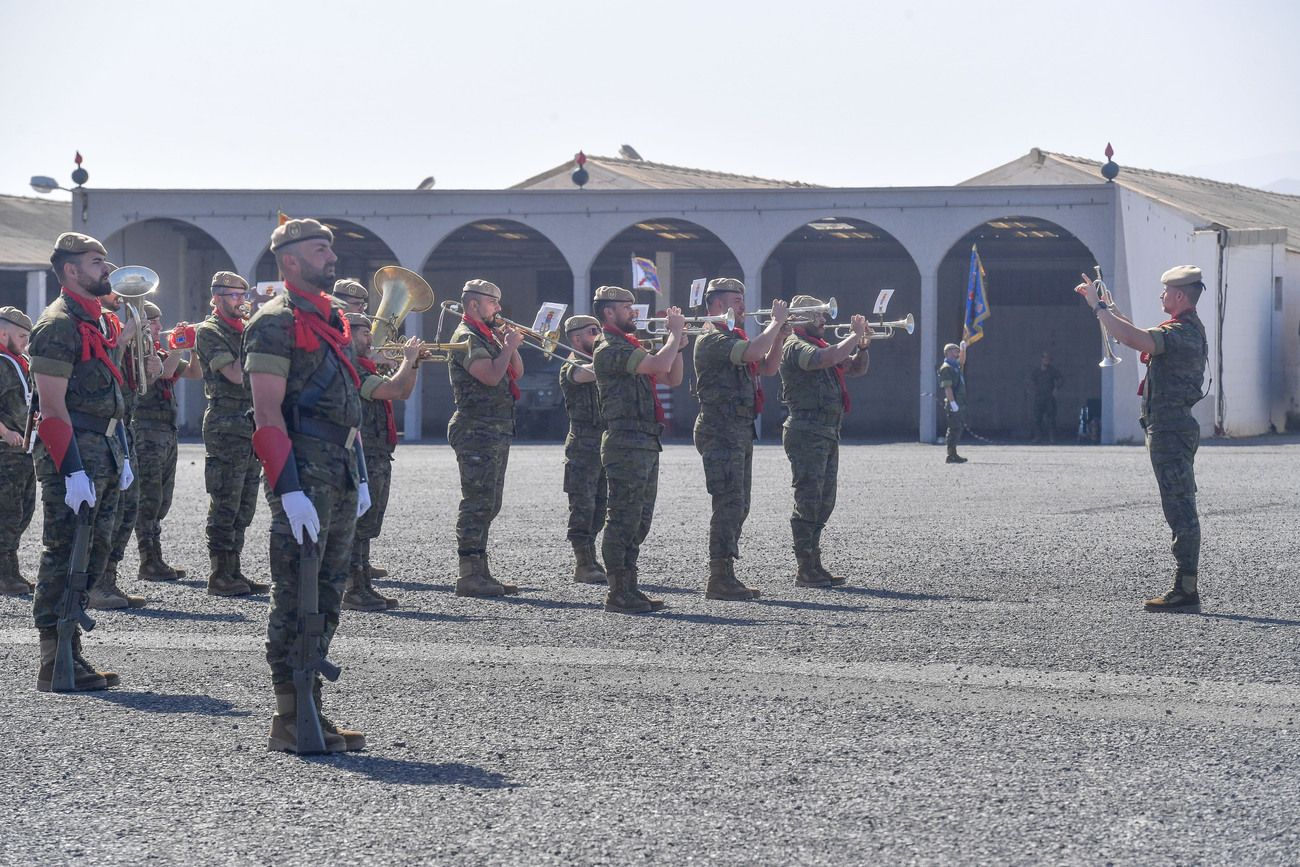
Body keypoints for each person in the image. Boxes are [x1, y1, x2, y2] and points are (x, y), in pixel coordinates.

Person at [245, 217, 369, 752]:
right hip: (304, 468)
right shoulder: (274, 321)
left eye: (331, 249)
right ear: (290, 260)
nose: (332, 257)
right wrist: (288, 488)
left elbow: (350, 404)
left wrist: (359, 471)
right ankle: (290, 715)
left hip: (338, 467)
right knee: (297, 591)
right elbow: (267, 412)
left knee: (329, 590)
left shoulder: (332, 318)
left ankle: (312, 705)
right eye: (321, 250)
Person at [29, 232, 130, 691]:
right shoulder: (57, 325)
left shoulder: (93, 319)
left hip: (103, 449)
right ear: (71, 270)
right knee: (64, 552)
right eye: (96, 263)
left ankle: (73, 651)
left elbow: (106, 393)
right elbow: (51, 409)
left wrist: (120, 450)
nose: (106, 270)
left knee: (94, 552)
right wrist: (70, 468)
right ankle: (55, 658)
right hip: (74, 453)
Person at [1075, 265, 1209, 611]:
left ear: (1179, 295)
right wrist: (1108, 306)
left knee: (1180, 506)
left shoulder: (1183, 332)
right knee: (1176, 504)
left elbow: (1137, 340)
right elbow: (1134, 334)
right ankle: (1185, 585)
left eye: (1165, 292)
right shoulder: (1182, 329)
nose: (1161, 296)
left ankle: (1186, 589)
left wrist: (1098, 308)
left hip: (1171, 428)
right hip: (1167, 427)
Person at [591, 285, 686, 614]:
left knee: (640, 519)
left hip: (644, 439)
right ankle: (617, 591)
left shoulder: (630, 345)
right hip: (625, 439)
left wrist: (678, 344)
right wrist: (672, 336)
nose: (635, 312)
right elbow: (658, 365)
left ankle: (629, 586)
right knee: (623, 518)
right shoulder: (610, 347)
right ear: (609, 313)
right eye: (627, 307)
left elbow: (672, 377)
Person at [692, 278, 788, 600]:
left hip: (738, 428)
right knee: (728, 503)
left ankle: (726, 573)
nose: (743, 307)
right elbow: (753, 352)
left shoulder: (734, 336)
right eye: (736, 300)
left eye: (742, 300)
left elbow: (768, 367)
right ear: (718, 304)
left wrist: (779, 337)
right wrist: (775, 323)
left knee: (739, 504)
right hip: (720, 429)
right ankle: (718, 577)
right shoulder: (711, 338)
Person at [779, 296, 870, 587]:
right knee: (808, 499)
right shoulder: (796, 346)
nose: (825, 321)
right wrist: (854, 335)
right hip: (806, 431)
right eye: (818, 316)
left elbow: (855, 369)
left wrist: (863, 346)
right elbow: (825, 360)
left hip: (826, 430)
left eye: (824, 315)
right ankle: (805, 567)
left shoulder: (821, 344)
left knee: (824, 501)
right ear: (802, 318)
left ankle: (815, 563)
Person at [446, 279, 524, 598]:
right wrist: (506, 348)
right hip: (475, 427)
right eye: (494, 302)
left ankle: (481, 569)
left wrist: (510, 346)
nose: (499, 308)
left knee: (490, 502)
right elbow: (491, 376)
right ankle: (468, 573)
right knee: (477, 501)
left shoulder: (486, 334)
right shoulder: (466, 337)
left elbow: (514, 372)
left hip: (494, 427)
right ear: (475, 304)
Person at [194, 272, 268, 597]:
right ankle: (219, 573)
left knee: (245, 502)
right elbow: (237, 375)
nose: (241, 301)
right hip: (226, 424)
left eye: (243, 295)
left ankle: (234, 569)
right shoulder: (210, 331)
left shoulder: (241, 329)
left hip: (250, 424)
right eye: (235, 296)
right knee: (225, 499)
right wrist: (257, 335)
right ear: (218, 297)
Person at [92, 281, 162, 610]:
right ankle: (94, 584)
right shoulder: (97, 323)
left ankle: (109, 578)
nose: (121, 295)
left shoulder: (120, 323)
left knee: (128, 508)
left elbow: (138, 380)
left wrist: (153, 364)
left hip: (125, 425)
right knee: (108, 511)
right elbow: (100, 363)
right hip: (104, 428)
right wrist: (124, 337)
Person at [344, 312, 421, 611]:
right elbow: (395, 390)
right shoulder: (355, 371)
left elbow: (405, 389)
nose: (370, 338)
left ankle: (363, 586)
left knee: (368, 524)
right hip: (363, 453)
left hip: (376, 452)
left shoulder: (364, 367)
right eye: (364, 333)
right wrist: (408, 359)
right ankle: (353, 589)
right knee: (358, 524)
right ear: (347, 336)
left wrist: (410, 363)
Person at [132, 299, 201, 583]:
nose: (160, 326)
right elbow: (163, 371)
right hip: (146, 433)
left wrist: (193, 349)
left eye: (159, 320)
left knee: (163, 498)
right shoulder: (137, 354)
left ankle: (154, 558)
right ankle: (149, 560)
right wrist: (178, 348)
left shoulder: (160, 352)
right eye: (153, 321)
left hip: (166, 432)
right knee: (149, 498)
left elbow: (195, 373)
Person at [558, 314, 607, 584]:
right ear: (576, 338)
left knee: (602, 506)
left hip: (604, 444)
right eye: (593, 331)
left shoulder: (602, 360)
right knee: (583, 507)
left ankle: (592, 557)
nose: (598, 335)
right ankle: (583, 562)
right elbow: (584, 374)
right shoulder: (570, 364)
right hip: (583, 446)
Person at [0, 307, 36, 595]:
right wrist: (5, 431)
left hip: (24, 451)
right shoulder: (1, 362)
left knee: (24, 512)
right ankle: (6, 576)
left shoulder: (20, 360)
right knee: (8, 515)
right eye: (22, 335)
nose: (26, 341)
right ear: (3, 334)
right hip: (4, 451)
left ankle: (10, 571)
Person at [937, 341, 968, 464]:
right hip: (953, 402)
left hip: (959, 401)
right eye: (956, 350)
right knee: (953, 428)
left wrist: (964, 349)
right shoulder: (946, 368)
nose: (958, 352)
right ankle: (951, 455)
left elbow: (962, 361)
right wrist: (953, 403)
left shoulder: (954, 365)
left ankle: (954, 453)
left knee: (958, 427)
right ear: (949, 352)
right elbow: (947, 387)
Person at [1030, 351, 1064, 443]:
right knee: (1037, 419)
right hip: (1039, 398)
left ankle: (1052, 438)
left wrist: (1056, 388)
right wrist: (1033, 391)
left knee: (1051, 419)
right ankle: (1038, 437)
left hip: (1049, 398)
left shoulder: (1053, 370)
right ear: (1041, 359)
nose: (1046, 360)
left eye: (1048, 359)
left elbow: (1061, 379)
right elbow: (1031, 381)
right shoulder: (1036, 371)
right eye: (1045, 358)